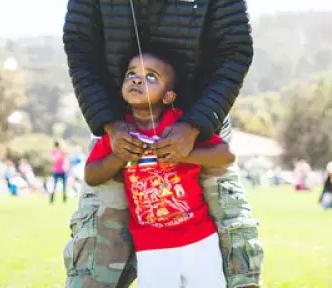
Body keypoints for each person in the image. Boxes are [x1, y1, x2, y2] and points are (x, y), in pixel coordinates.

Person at [63, 0, 262, 288]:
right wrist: (110, 125)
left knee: (238, 272)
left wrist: (193, 126)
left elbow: (235, 53)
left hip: (200, 137)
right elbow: (80, 49)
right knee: (91, 272)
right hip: (123, 139)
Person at [85, 49, 233, 288]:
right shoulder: (119, 134)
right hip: (151, 245)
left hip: (199, 238)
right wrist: (117, 157)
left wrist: (187, 153)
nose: (136, 79)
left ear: (168, 96)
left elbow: (226, 155)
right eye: (130, 74)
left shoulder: (180, 128)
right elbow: (91, 175)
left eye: (151, 76)